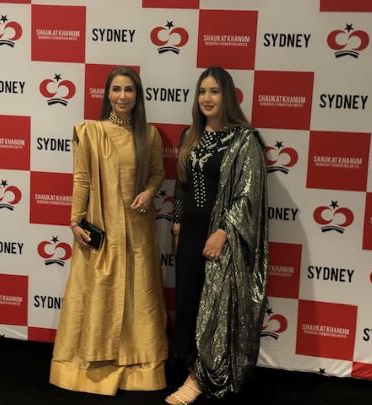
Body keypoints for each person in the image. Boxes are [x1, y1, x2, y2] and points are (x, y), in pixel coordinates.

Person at [50, 66, 168, 395]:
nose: (122, 96)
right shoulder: (91, 132)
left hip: (138, 231)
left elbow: (158, 174)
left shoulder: (151, 135)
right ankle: (90, 367)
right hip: (101, 231)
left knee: (138, 297)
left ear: (137, 95)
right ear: (107, 94)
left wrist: (149, 191)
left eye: (128, 89)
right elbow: (82, 178)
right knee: (98, 297)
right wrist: (75, 221)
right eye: (116, 89)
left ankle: (138, 366)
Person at [166, 67, 268, 404]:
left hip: (221, 237)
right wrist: (177, 225)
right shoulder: (190, 134)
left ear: (228, 96)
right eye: (201, 92)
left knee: (214, 307)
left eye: (214, 92)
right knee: (190, 301)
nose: (206, 99)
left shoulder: (244, 140)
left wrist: (223, 232)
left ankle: (199, 380)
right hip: (191, 234)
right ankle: (190, 365)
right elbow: (181, 186)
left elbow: (248, 196)